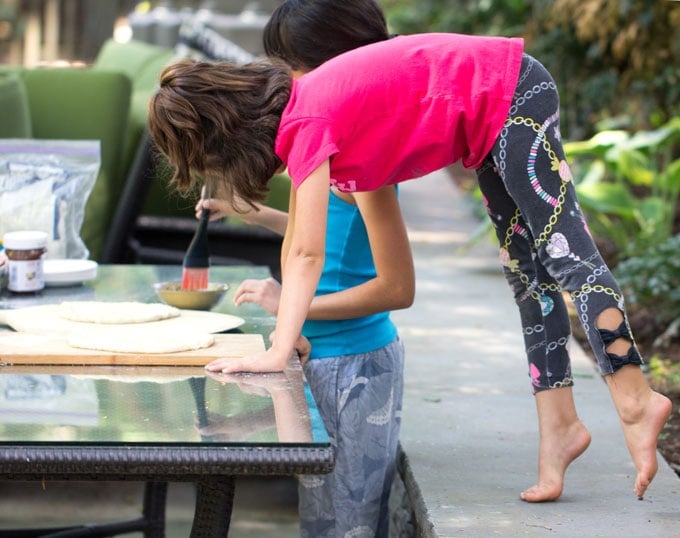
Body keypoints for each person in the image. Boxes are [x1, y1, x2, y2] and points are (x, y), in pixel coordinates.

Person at [147, 7, 672, 505]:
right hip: (488, 124)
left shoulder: (305, 117)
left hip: (512, 90)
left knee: (565, 254)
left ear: (225, 134)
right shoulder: (307, 116)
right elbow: (302, 240)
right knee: (527, 276)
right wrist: (286, 313)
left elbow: (307, 253)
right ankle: (560, 426)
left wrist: (276, 351)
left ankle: (634, 398)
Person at [196, 3, 409, 535]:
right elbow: (325, 234)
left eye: (295, 68)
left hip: (357, 364)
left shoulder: (368, 164)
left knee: (352, 524)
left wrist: (289, 304)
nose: (289, 84)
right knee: (321, 520)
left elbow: (396, 287)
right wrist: (251, 213)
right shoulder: (322, 144)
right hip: (319, 357)